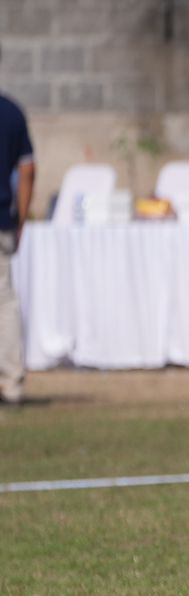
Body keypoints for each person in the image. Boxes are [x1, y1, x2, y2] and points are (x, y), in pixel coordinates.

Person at [0, 57, 34, 406]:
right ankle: (11, 383)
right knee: (4, 303)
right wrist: (20, 219)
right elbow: (28, 171)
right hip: (2, 220)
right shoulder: (12, 113)